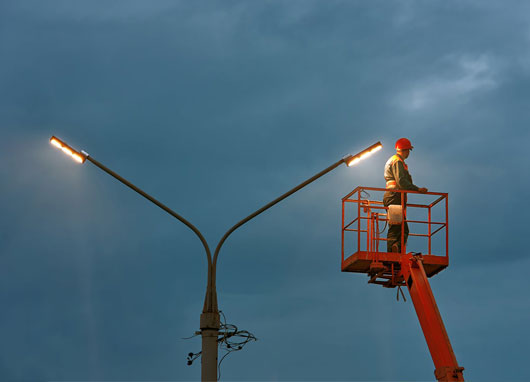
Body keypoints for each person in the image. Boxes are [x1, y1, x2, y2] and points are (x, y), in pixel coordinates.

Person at [383, 138, 428, 253]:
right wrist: (417, 189)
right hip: (395, 196)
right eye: (408, 150)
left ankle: (396, 249)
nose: (409, 153)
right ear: (406, 150)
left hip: (393, 196)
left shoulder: (395, 160)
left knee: (400, 227)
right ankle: (394, 253)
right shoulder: (397, 161)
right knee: (398, 228)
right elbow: (401, 181)